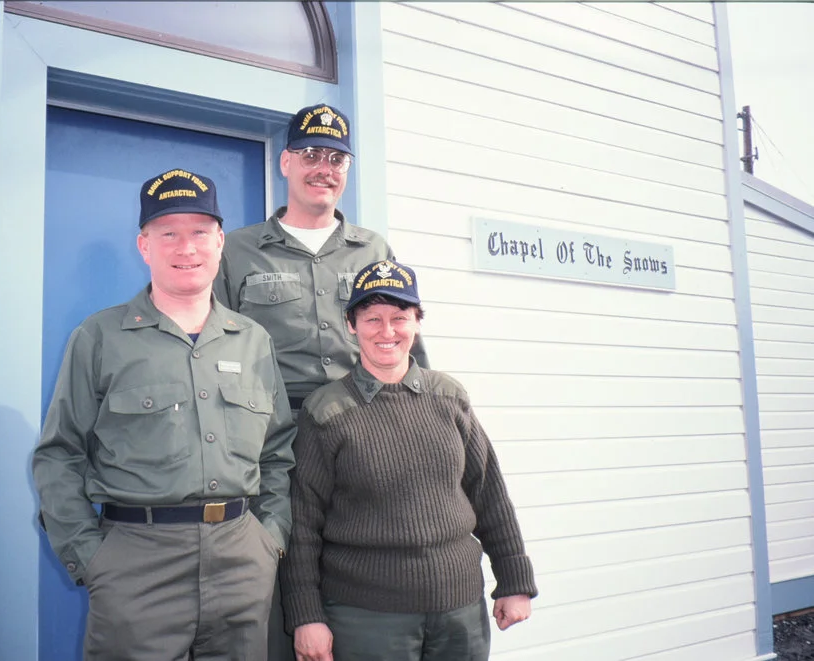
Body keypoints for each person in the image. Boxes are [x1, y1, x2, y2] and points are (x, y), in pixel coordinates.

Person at [32, 168, 295, 661]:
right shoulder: (101, 337)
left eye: (199, 232)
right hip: (136, 564)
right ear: (143, 246)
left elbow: (278, 450)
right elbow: (59, 455)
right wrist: (93, 559)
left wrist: (270, 539)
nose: (186, 247)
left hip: (242, 562)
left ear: (221, 242)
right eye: (167, 233)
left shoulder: (254, 340)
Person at [282, 259, 538, 661]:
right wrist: (306, 616)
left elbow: (488, 493)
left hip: (460, 612)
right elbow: (302, 525)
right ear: (351, 324)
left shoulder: (449, 397)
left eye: (400, 318)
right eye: (372, 319)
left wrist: (514, 578)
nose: (387, 332)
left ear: (417, 322)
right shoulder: (326, 411)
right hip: (366, 619)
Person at [215, 103, 428, 413]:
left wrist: (421, 409)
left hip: (363, 419)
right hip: (273, 428)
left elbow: (406, 340)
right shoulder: (237, 251)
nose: (324, 170)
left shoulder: (373, 251)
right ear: (286, 162)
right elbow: (215, 346)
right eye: (311, 155)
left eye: (337, 159)